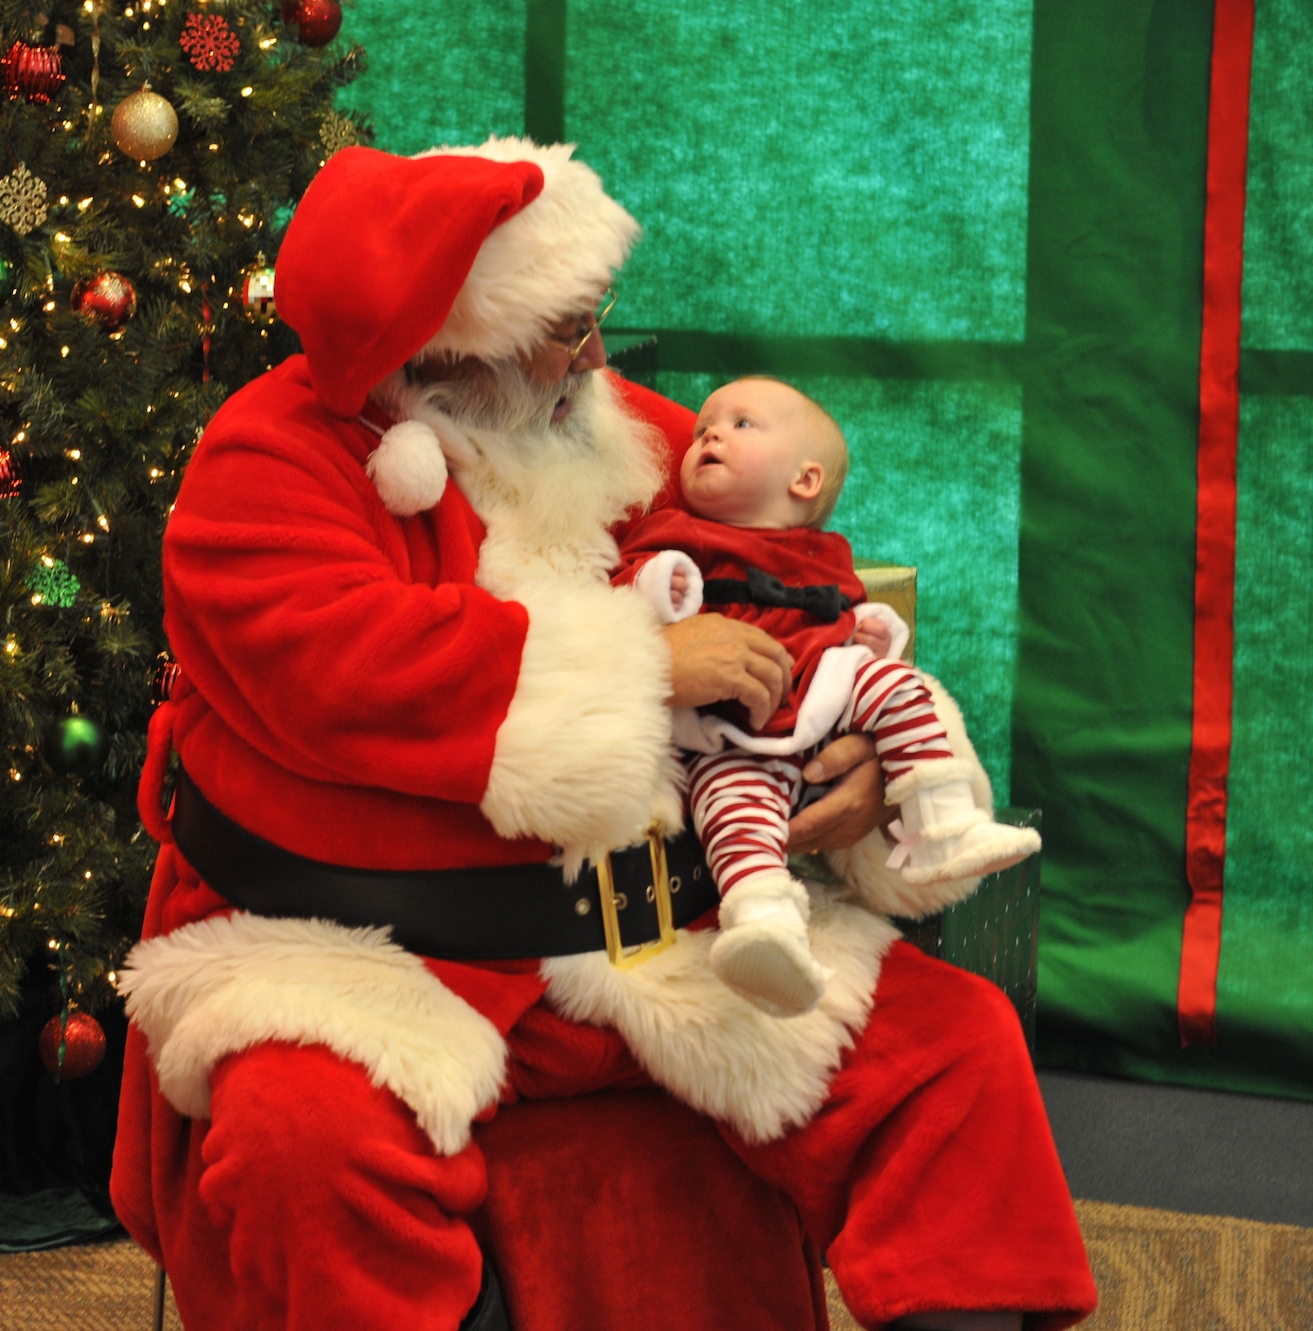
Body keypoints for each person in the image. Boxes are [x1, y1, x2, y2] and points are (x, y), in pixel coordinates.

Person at [114, 139, 1096, 1331]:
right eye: (563, 326)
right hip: (352, 954)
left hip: (647, 932)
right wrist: (642, 667)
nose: (593, 353)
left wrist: (863, 743)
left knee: (951, 1055)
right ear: (443, 334)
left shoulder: (617, 429)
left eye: (593, 316)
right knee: (301, 1140)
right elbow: (341, 667)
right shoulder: (262, 461)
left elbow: (786, 584)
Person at [624, 376, 1041, 1019]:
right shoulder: (678, 533)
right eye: (706, 424)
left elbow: (842, 612)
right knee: (733, 803)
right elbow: (631, 583)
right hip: (733, 720)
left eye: (741, 424)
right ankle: (763, 925)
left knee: (899, 688)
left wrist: (870, 632)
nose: (709, 432)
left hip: (821, 689)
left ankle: (944, 816)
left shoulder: (824, 553)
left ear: (805, 482)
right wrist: (662, 587)